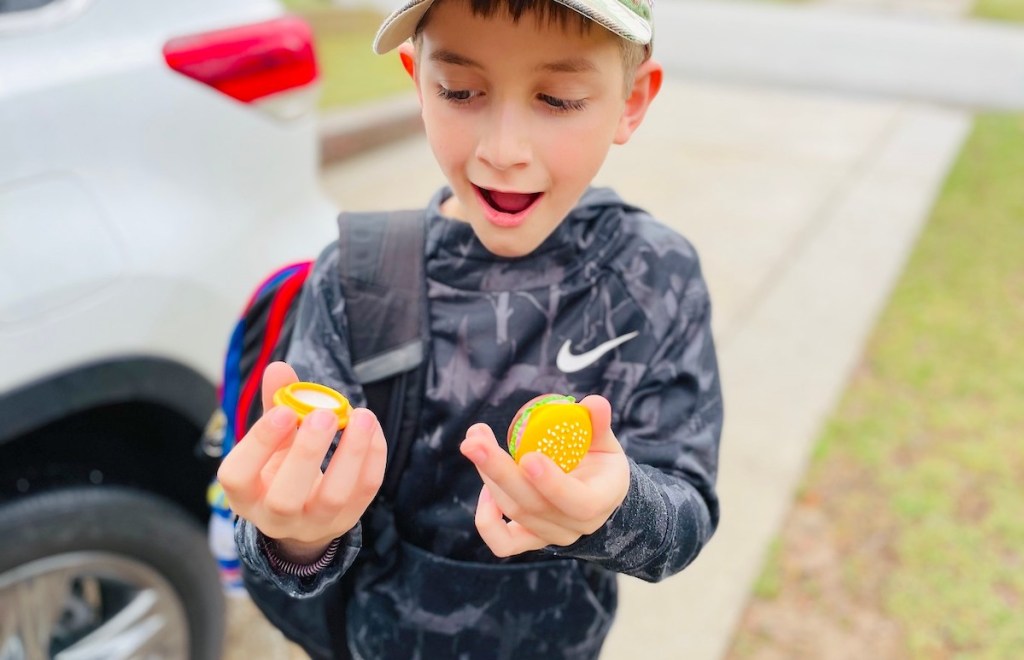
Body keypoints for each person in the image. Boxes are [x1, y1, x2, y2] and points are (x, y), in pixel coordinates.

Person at [217, 0, 723, 657]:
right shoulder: (358, 277)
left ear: (632, 99)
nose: (503, 151)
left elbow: (685, 518)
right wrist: (295, 532)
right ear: (415, 79)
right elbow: (289, 551)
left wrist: (617, 506)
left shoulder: (655, 277)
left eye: (559, 98)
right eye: (460, 91)